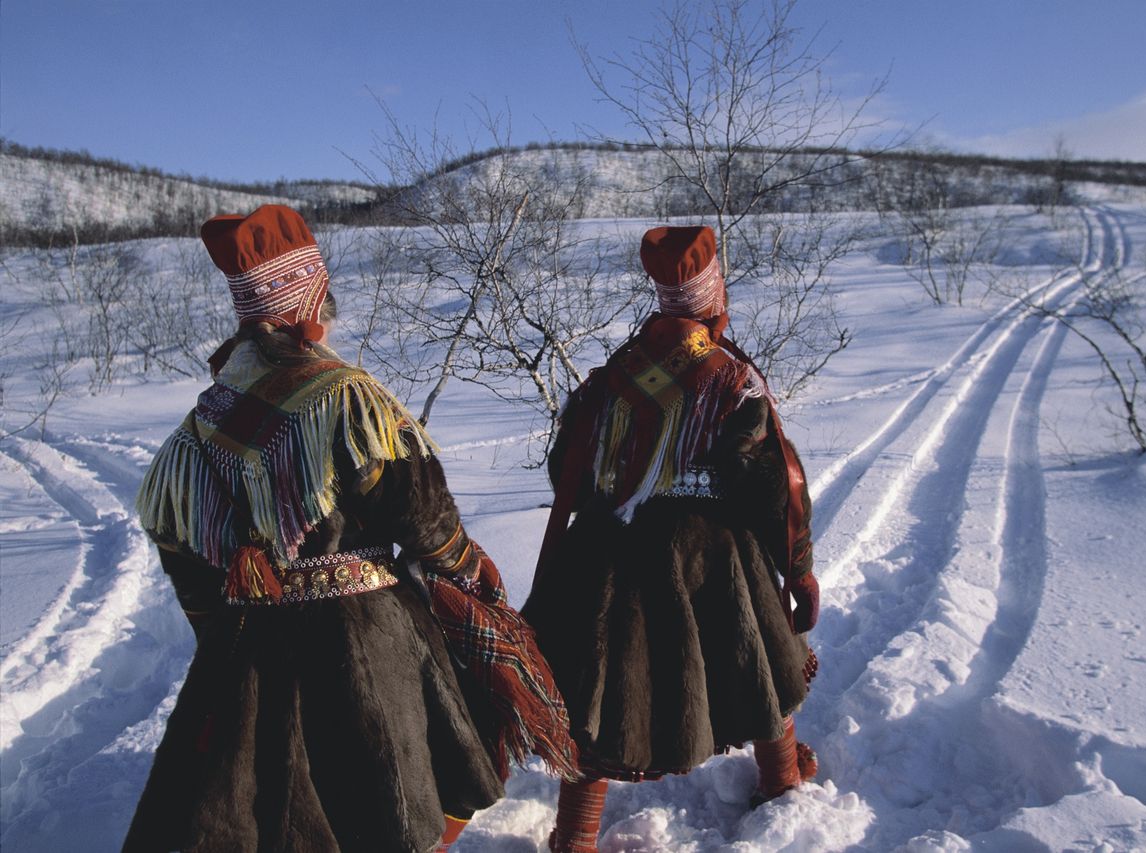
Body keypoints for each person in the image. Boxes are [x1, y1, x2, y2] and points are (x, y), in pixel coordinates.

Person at [126, 205, 577, 852]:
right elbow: (418, 508)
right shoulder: (341, 397)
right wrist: (465, 566)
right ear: (309, 299)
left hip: (249, 648)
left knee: (286, 817)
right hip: (363, 639)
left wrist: (229, 638)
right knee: (392, 805)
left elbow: (185, 551)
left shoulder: (204, 420)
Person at [522, 225, 821, 852]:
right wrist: (796, 573)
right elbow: (776, 493)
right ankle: (782, 774)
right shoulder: (732, 382)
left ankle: (575, 836)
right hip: (709, 554)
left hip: (605, 547)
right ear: (714, 297)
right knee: (756, 655)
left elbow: (565, 478)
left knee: (596, 697)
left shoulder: (610, 379)